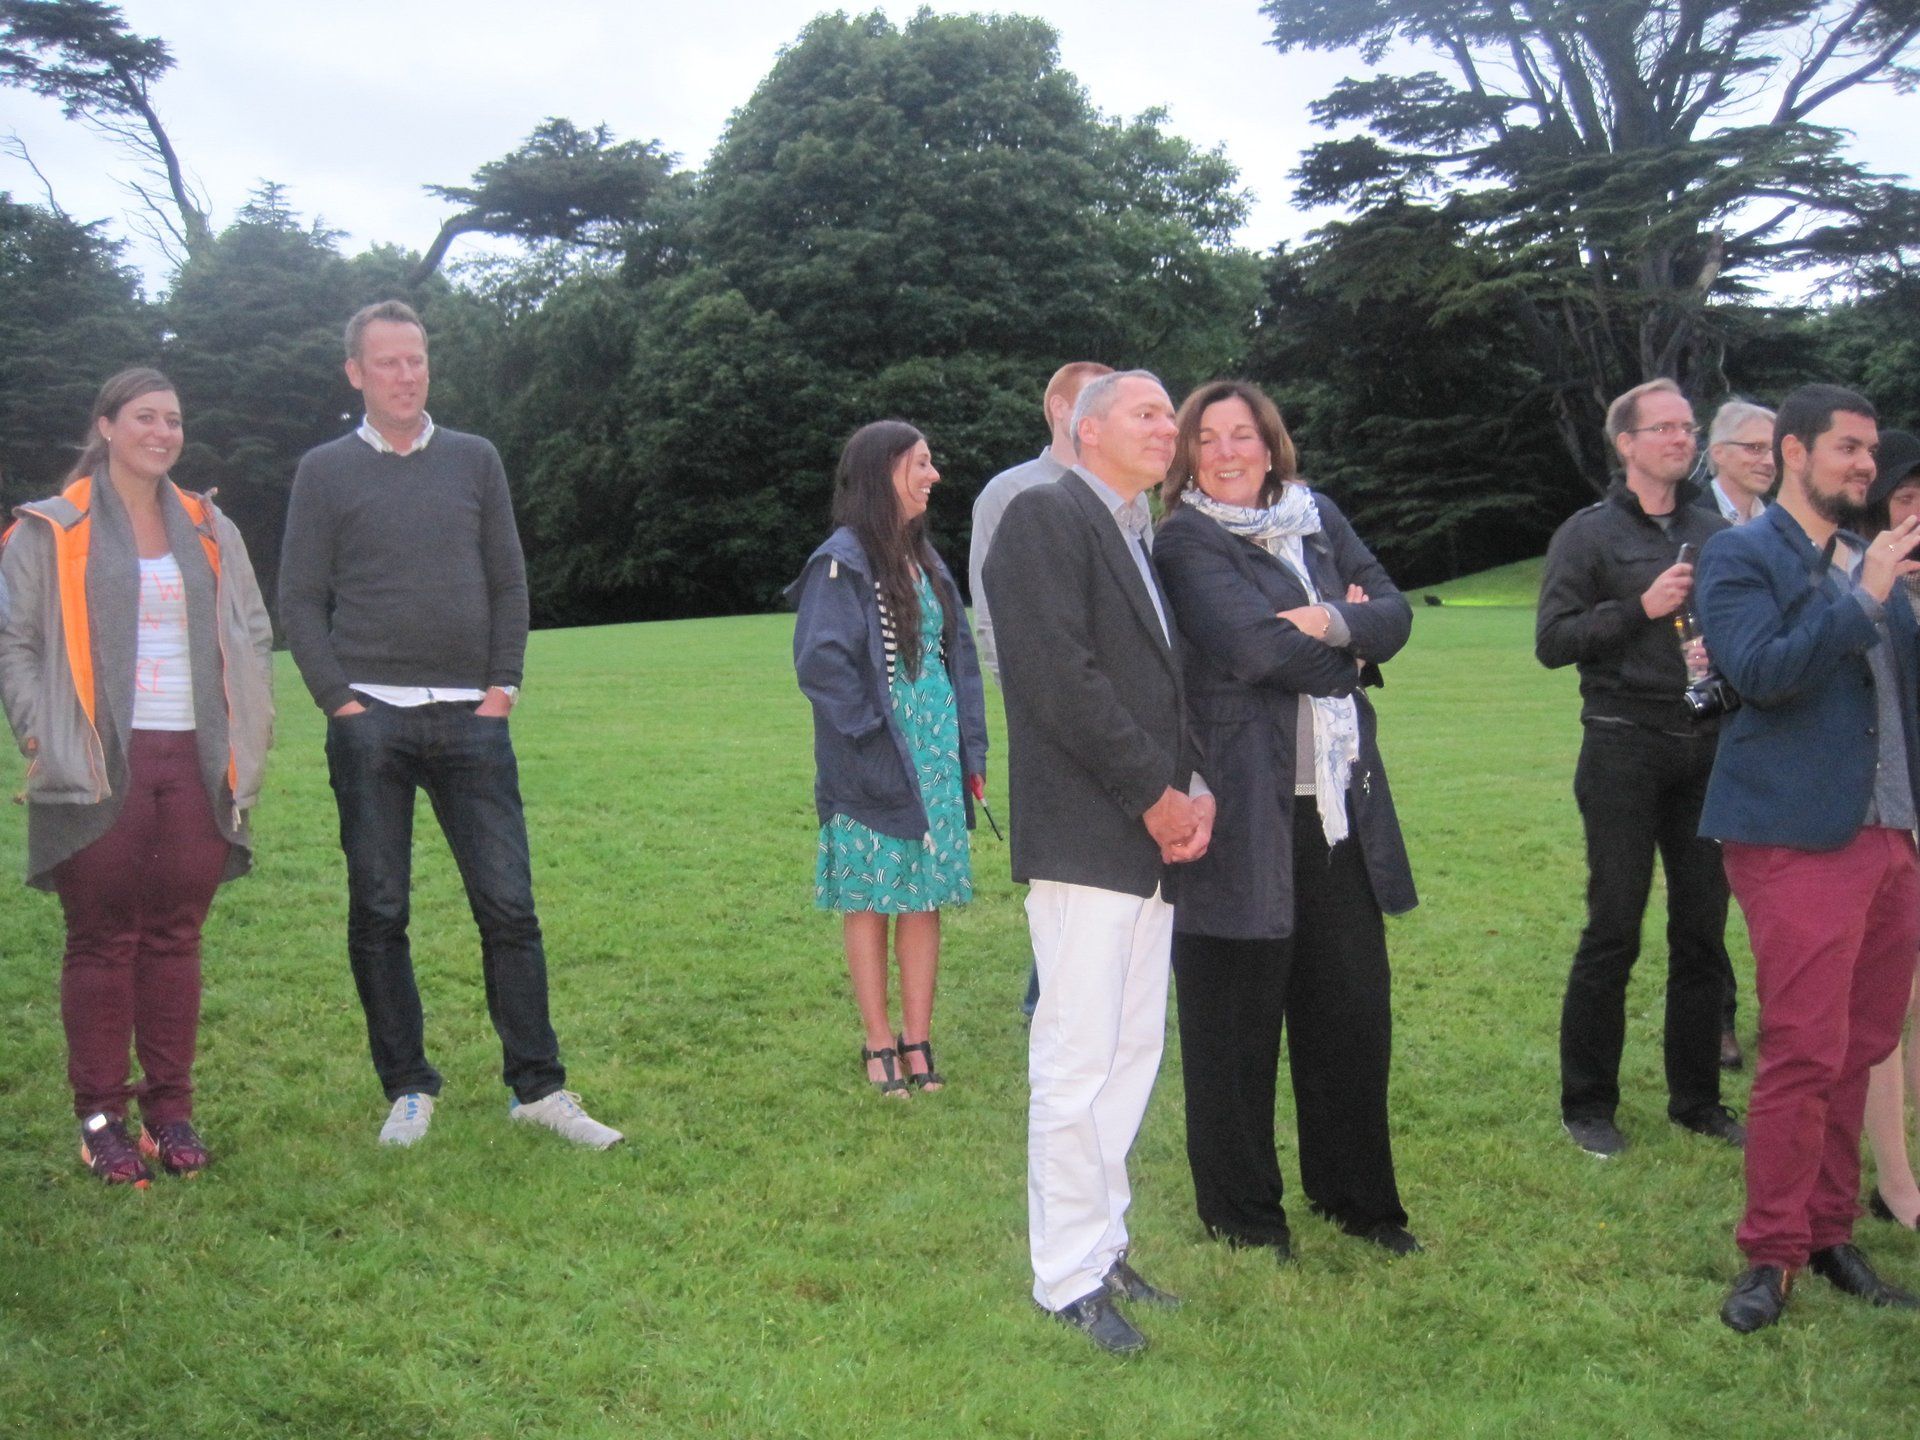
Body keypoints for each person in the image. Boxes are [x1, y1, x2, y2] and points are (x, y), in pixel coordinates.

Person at [278, 300, 620, 1150]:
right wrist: (340, 702)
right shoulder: (324, 471)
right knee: (379, 910)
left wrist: (502, 689)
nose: (406, 376)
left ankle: (538, 1088)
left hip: (472, 719)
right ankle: (407, 1087)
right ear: (355, 373)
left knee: (509, 908)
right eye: (387, 362)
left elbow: (508, 581)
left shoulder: (475, 459)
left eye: (416, 359)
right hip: (370, 723)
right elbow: (298, 599)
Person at [1152, 379, 1421, 1260]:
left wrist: (1326, 618)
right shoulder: (1186, 538)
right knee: (1233, 1024)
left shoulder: (1317, 516)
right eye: (1207, 438)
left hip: (1337, 809)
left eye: (1243, 435)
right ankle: (1243, 1215)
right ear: (1188, 455)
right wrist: (1351, 646)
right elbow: (1253, 648)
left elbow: (1396, 615)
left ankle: (1358, 1201)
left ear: (1271, 445)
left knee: (1350, 1014)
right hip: (1237, 811)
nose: (1226, 452)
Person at [982, 369, 1213, 1355]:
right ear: (1088, 430)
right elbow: (1059, 681)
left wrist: (1193, 786)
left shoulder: (1133, 532)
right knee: (1077, 1062)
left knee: (1129, 1055)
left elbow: (1165, 687)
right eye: (1148, 413)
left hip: (1146, 839)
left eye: (1170, 414)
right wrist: (1156, 796)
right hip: (1089, 836)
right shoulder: (1045, 516)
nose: (1170, 427)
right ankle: (1065, 1277)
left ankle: (1103, 1245)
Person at [0, 367, 273, 1185]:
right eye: (145, 417)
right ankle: (100, 1121)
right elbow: (15, 640)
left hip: (194, 756)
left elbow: (251, 628)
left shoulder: (209, 525)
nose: (162, 432)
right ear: (107, 426)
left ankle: (170, 1114)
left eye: (173, 420)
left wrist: (250, 722)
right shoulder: (51, 527)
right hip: (97, 759)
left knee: (176, 936)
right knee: (101, 938)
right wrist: (40, 729)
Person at [1700, 384, 1920, 1333]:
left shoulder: (1877, 563)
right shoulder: (1742, 554)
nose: (1867, 465)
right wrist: (1868, 599)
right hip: (1796, 837)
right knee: (1803, 1048)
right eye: (1849, 448)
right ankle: (1772, 1252)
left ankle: (1829, 1236)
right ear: (1794, 452)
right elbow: (1761, 673)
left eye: (1871, 451)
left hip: (1891, 836)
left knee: (1861, 1047)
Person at [1535, 378, 1745, 1158]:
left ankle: (1698, 1101)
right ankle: (1588, 1104)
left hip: (1705, 749)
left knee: (1702, 932)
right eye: (1663, 428)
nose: (1681, 439)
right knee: (1614, 927)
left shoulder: (1717, 533)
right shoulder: (1587, 535)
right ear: (1625, 443)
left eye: (1688, 427)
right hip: (1622, 744)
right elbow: (1552, 641)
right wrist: (1640, 609)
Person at [790, 421, 988, 1097]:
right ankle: (878, 1040)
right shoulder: (842, 561)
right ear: (882, 472)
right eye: (921, 463)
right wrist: (872, 737)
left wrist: (969, 749)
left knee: (923, 896)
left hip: (934, 753)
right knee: (871, 898)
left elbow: (958, 661)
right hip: (872, 757)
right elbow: (822, 664)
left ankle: (917, 1038)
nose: (934, 475)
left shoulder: (924, 559)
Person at [968, 360, 1113, 1017]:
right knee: (1065, 846)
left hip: (1120, 701)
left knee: (1114, 845)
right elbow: (990, 609)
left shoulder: (1125, 491)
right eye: (1092, 400)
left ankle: (1083, 993)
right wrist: (1025, 696)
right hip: (1047, 704)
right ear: (1059, 410)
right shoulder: (1010, 493)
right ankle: (1047, 998)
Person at [1692, 398, 1777, 1070]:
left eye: (1773, 448)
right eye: (1752, 447)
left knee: (1778, 881)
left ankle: (1787, 1011)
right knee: (1708, 886)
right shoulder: (1691, 523)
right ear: (1717, 453)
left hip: (1771, 723)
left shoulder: (1786, 526)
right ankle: (1717, 1017)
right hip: (1699, 726)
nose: (1766, 459)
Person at [1856, 428, 1920, 1231]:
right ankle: (1895, 1181)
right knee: (1889, 1003)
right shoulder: (1861, 591)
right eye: (1906, 500)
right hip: (1890, 817)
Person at [1694, 400, 1777, 527]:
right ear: (1718, 453)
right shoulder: (1686, 518)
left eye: (1777, 451)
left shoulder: (1782, 522)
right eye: (1755, 448)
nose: (1771, 461)